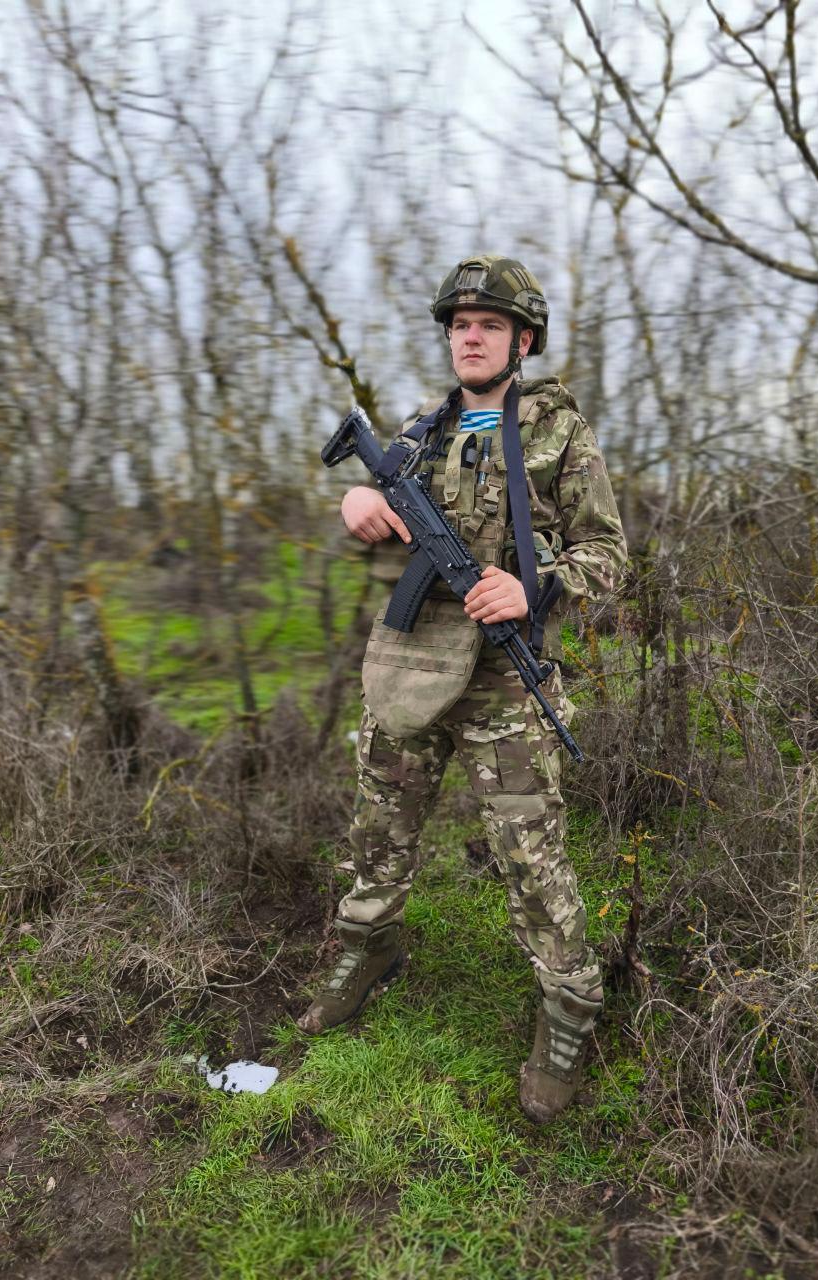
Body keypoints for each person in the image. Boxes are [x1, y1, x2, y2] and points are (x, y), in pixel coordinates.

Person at [298, 254, 628, 1123]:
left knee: (528, 851)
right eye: (459, 325)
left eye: (489, 325)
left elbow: (609, 556)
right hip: (410, 659)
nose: (470, 337)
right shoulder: (420, 431)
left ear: (524, 340)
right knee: (379, 824)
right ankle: (368, 946)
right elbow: (381, 513)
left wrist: (536, 586)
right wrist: (358, 507)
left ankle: (568, 1004)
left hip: (507, 678)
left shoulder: (560, 433)